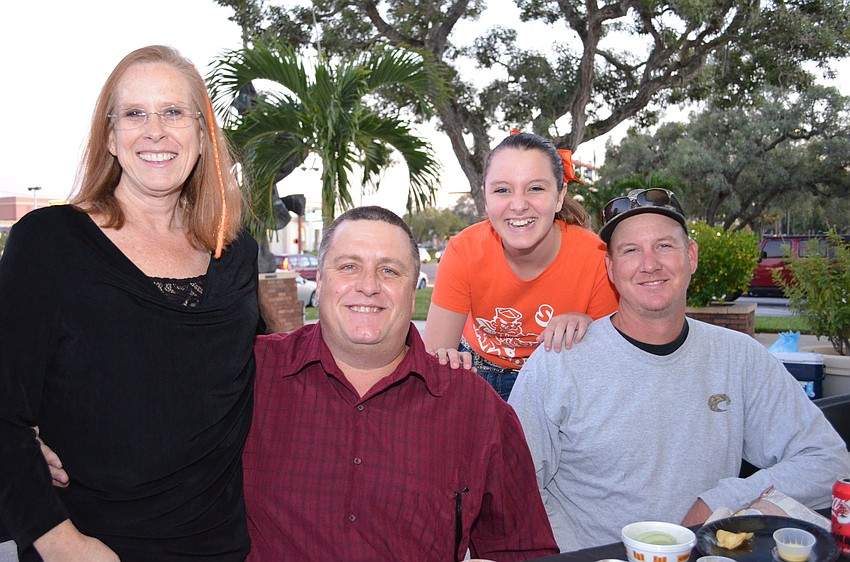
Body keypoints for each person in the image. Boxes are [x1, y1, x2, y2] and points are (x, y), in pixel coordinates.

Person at [0, 45, 259, 561]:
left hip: (221, 548)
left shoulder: (235, 252)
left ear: (204, 136)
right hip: (88, 547)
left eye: (173, 112)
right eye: (135, 113)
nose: (155, 130)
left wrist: (428, 354)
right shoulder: (49, 243)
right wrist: (60, 542)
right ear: (111, 137)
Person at [508, 188, 850, 552]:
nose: (649, 264)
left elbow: (827, 459)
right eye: (630, 250)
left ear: (691, 256)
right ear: (610, 268)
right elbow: (510, 488)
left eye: (665, 246)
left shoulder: (740, 358)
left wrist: (725, 498)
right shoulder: (560, 361)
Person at [243, 206, 558, 561]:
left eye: (389, 271)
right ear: (320, 279)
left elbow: (522, 548)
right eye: (348, 267)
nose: (368, 286)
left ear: (414, 290)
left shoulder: (474, 408)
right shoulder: (250, 375)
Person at [423, 131, 618, 400]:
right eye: (502, 190)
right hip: (478, 372)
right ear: (486, 197)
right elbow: (432, 359)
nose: (518, 205)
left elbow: (609, 367)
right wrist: (444, 361)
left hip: (556, 381)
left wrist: (590, 329)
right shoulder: (464, 250)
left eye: (535, 188)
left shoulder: (595, 256)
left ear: (560, 195)